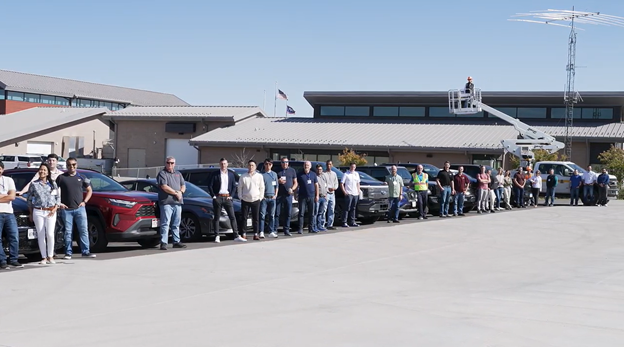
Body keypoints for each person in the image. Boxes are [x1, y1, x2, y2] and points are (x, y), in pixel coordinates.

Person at [56, 157, 96, 259]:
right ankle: (68, 252)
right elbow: (53, 191)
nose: (71, 167)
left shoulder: (82, 177)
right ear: (66, 166)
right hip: (66, 210)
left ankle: (85, 251)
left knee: (83, 230)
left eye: (73, 164)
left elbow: (89, 190)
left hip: (80, 209)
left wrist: (84, 202)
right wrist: (59, 203)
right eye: (69, 165)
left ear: (76, 165)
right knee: (68, 231)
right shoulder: (61, 178)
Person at [27, 163, 60, 265]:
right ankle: (44, 257)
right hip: (38, 211)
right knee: (41, 234)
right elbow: (29, 200)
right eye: (41, 170)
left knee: (50, 234)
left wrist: (55, 209)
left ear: (48, 172)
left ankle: (50, 256)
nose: (42, 172)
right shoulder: (34, 184)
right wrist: (31, 213)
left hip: (50, 211)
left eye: (45, 170)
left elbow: (57, 198)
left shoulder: (52, 184)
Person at [208, 158, 245, 243]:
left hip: (228, 197)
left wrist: (231, 196)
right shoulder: (215, 174)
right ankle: (217, 235)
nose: (223, 165)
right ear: (219, 164)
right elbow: (210, 185)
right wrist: (214, 196)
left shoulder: (231, 174)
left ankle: (236, 235)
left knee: (232, 216)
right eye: (221, 164)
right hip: (218, 197)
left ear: (227, 164)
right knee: (217, 217)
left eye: (224, 164)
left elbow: (233, 186)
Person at [157, 156, 188, 250]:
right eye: (168, 163)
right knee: (165, 223)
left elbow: (183, 185)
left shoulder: (178, 174)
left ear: (175, 164)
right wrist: (175, 193)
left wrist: (181, 192)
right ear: (165, 163)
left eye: (172, 163)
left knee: (176, 224)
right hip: (166, 203)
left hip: (177, 203)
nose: (170, 165)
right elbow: (164, 186)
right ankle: (164, 242)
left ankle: (176, 241)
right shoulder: (162, 173)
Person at [0, 161, 21, 269]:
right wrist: (5, 195)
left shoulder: (8, 180)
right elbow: (8, 196)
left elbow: (12, 197)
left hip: (9, 213)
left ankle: (14, 259)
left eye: (0, 168)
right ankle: (2, 260)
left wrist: (5, 196)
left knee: (14, 236)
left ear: (3, 169)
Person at [238, 160, 264, 240]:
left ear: (255, 167)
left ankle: (256, 233)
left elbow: (262, 187)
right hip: (245, 200)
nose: (251, 167)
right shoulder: (243, 176)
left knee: (256, 218)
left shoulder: (259, 176)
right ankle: (244, 233)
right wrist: (240, 197)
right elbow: (240, 187)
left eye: (252, 165)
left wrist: (260, 197)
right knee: (244, 217)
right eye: (249, 165)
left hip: (256, 199)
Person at [275, 157, 298, 236]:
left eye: (286, 162)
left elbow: (295, 183)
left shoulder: (292, 171)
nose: (285, 164)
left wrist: (292, 189)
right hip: (279, 195)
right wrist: (278, 181)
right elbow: (273, 182)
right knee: (277, 213)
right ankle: (275, 229)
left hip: (288, 195)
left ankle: (286, 230)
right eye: (283, 162)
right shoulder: (277, 171)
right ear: (281, 163)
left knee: (288, 213)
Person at [296, 161, 319, 233]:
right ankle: (300, 228)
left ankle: (311, 228)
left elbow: (316, 185)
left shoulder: (313, 174)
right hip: (302, 196)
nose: (306, 166)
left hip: (311, 196)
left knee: (311, 213)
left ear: (310, 166)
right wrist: (295, 194)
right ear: (303, 166)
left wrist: (317, 195)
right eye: (305, 165)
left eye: (308, 165)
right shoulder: (299, 174)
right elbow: (297, 185)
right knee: (301, 213)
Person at [260, 159, 278, 238]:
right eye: (266, 164)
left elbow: (276, 186)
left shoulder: (274, 174)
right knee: (262, 215)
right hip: (264, 198)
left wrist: (275, 195)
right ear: (264, 164)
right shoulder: (261, 174)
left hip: (272, 198)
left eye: (270, 164)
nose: (268, 165)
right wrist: (261, 196)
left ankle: (271, 231)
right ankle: (261, 231)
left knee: (272, 215)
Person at [340, 162, 360, 227]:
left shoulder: (356, 174)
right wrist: (344, 192)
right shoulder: (346, 174)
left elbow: (358, 183)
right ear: (350, 167)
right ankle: (344, 222)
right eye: (352, 167)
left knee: (353, 208)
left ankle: (352, 221)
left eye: (354, 167)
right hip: (349, 193)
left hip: (355, 193)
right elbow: (342, 183)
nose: (353, 168)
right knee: (346, 208)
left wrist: (358, 191)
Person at [323, 160, 339, 230]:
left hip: (332, 194)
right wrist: (327, 189)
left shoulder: (334, 174)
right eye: (327, 164)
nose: (329, 166)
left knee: (331, 209)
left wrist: (334, 188)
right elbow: (322, 184)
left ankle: (330, 224)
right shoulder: (323, 174)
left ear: (332, 165)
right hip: (326, 193)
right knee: (324, 209)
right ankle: (322, 224)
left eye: (330, 164)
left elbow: (336, 183)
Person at [315, 164, 329, 231]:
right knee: (316, 212)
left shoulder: (323, 176)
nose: (319, 170)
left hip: (324, 197)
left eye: (320, 169)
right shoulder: (315, 177)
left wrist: (326, 194)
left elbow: (326, 186)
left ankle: (320, 225)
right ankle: (315, 226)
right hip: (318, 197)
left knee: (321, 212)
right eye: (318, 169)